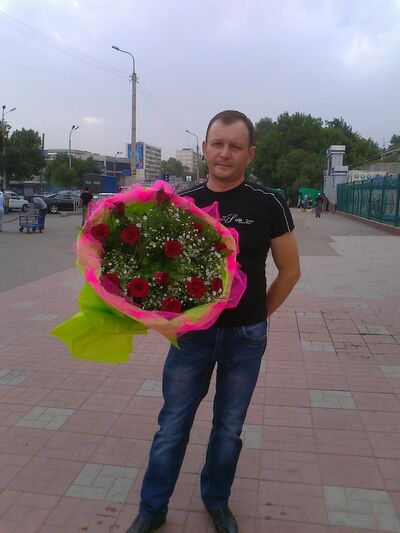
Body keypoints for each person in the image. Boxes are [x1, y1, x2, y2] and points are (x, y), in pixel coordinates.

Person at [125, 110, 301, 533]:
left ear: (249, 154)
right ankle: (152, 509)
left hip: (245, 338)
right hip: (193, 336)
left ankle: (216, 501)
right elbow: (156, 270)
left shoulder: (268, 203)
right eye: (217, 144)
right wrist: (164, 318)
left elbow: (290, 271)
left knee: (229, 427)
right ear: (204, 148)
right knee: (173, 424)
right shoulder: (181, 202)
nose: (225, 153)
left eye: (235, 146)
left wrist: (257, 317)